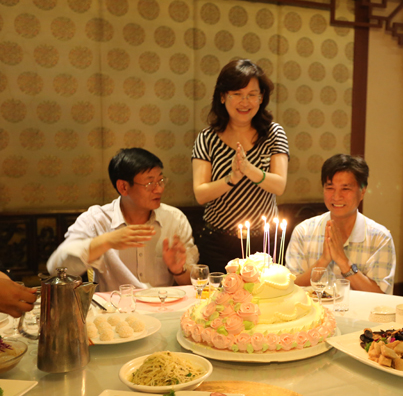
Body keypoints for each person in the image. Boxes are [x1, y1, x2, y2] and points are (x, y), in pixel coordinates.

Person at [47, 148, 199, 292]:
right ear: (123, 187)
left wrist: (178, 270)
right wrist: (105, 241)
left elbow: (194, 284)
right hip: (114, 307)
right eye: (150, 183)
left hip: (163, 305)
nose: (159, 189)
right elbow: (56, 268)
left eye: (160, 180)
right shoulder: (96, 220)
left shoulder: (175, 219)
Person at [192, 59, 289, 272]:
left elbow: (279, 185)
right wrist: (231, 178)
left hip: (263, 242)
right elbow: (200, 194)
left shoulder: (274, 134)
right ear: (222, 96)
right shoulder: (207, 138)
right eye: (237, 94)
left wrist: (248, 170)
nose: (245, 102)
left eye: (252, 94)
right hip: (217, 241)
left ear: (261, 98)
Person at [285, 154, 396, 294]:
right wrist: (323, 261)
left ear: (362, 191)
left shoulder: (380, 238)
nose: (336, 196)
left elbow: (382, 296)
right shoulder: (303, 231)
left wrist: (343, 261)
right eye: (330, 188)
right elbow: (290, 288)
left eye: (345, 189)